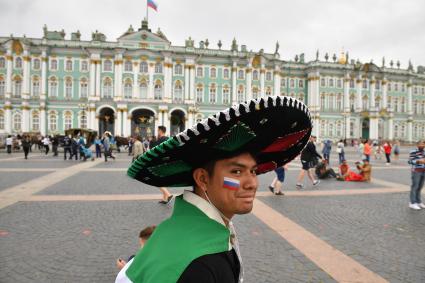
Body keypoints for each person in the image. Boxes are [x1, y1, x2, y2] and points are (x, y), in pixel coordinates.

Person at [119, 96, 311, 283]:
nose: (252, 183)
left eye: (253, 171)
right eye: (236, 171)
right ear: (202, 179)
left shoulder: (168, 230)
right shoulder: (203, 262)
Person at [149, 126, 173, 204]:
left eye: (158, 130)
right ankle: (165, 198)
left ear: (161, 131)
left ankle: (168, 195)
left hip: (160, 162)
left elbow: (153, 149)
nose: (157, 132)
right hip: (166, 161)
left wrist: (151, 141)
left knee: (156, 180)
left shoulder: (160, 140)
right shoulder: (168, 139)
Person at [407, 140, 425, 210]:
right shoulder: (413, 151)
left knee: (420, 187)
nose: (422, 145)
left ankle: (418, 201)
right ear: (417, 144)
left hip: (423, 171)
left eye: (423, 144)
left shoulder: (424, 152)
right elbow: (410, 161)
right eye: (421, 144)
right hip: (416, 171)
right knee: (415, 186)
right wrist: (418, 161)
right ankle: (412, 203)